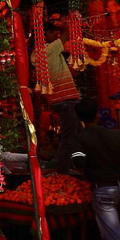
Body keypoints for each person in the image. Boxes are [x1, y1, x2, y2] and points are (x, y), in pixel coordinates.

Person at [72, 100, 120, 240]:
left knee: (115, 238)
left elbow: (79, 161)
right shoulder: (116, 134)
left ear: (79, 119)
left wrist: (86, 175)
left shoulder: (80, 138)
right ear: (98, 115)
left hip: (104, 190)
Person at [36, 21, 82, 173]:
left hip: (63, 100)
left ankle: (75, 166)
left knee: (75, 137)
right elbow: (65, 36)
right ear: (43, 35)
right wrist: (67, 25)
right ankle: (63, 172)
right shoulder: (46, 50)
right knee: (68, 138)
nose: (55, 35)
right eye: (51, 33)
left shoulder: (42, 53)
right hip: (64, 100)